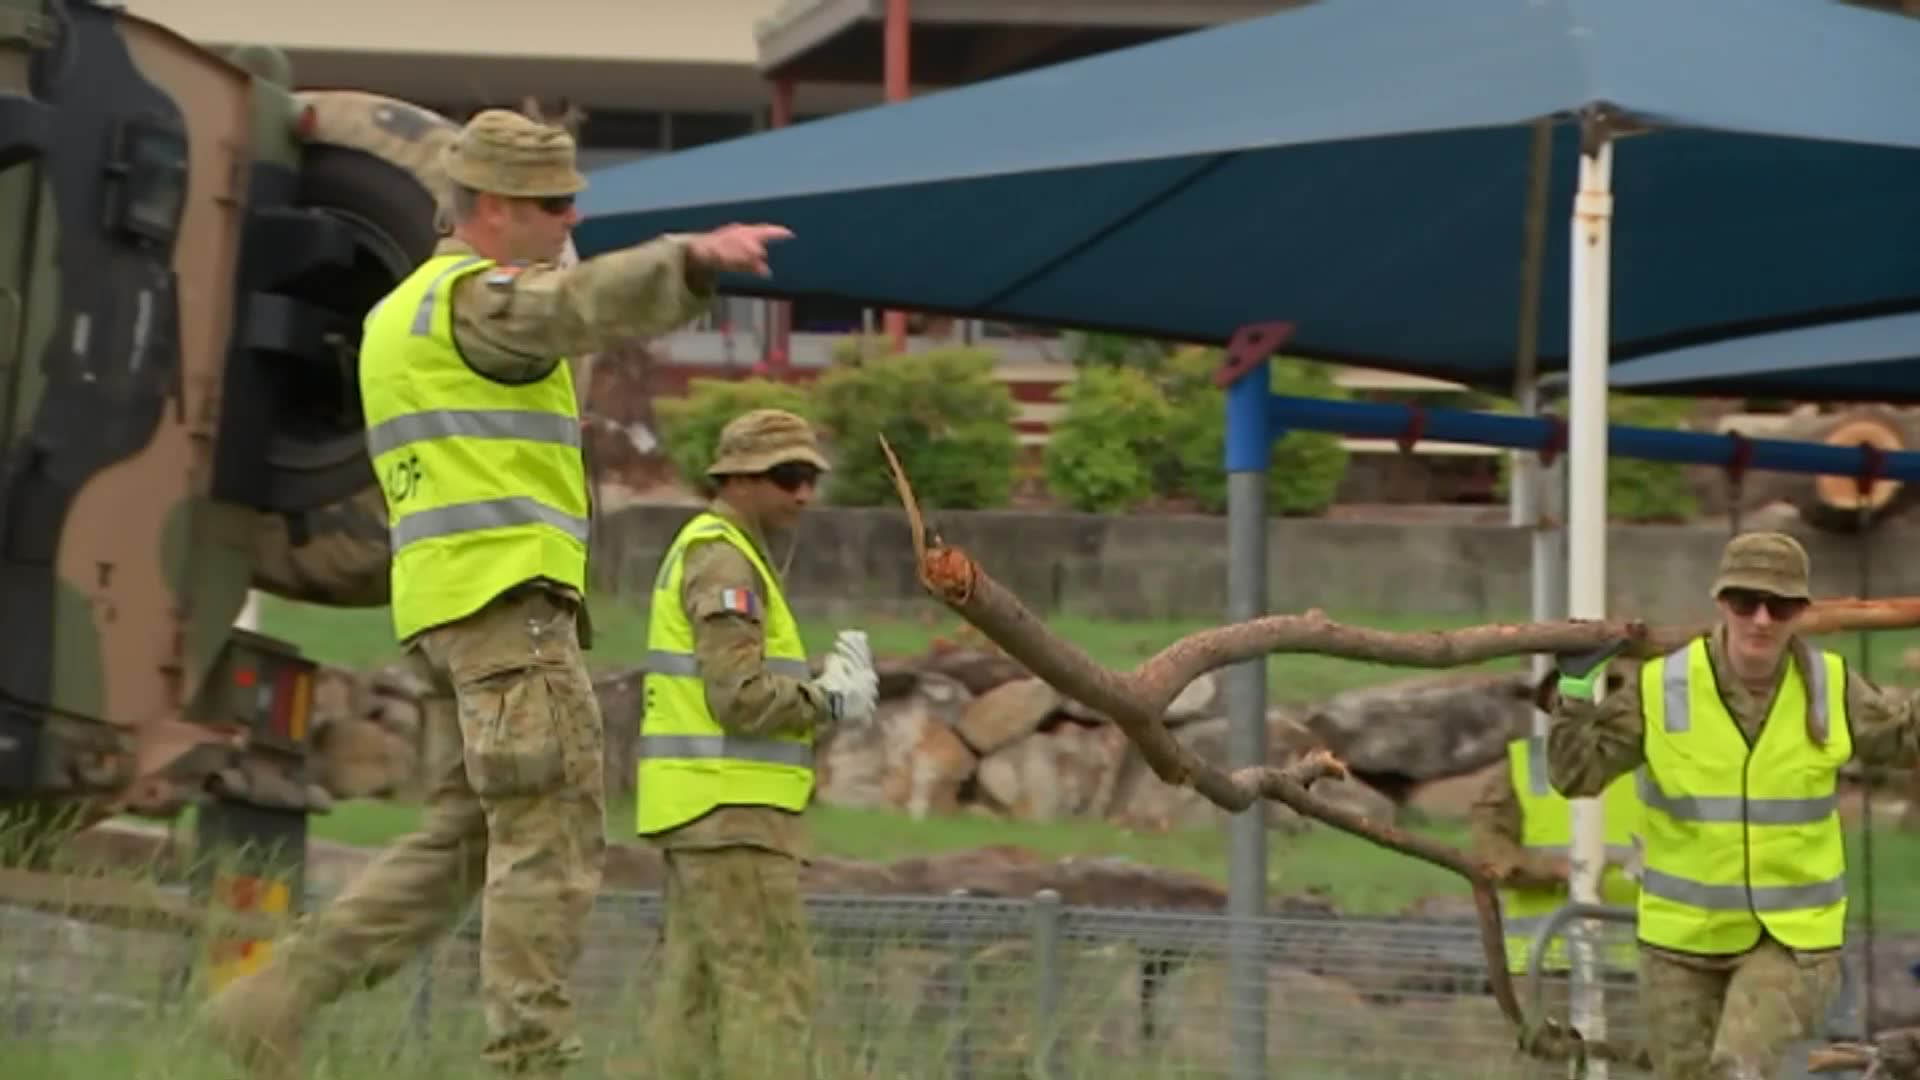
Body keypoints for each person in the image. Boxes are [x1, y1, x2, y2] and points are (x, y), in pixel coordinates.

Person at [200, 107, 796, 1079]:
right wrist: (685, 262)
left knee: (466, 841)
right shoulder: (480, 304)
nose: (569, 222)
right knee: (550, 838)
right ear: (488, 209)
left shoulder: (402, 311)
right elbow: (564, 312)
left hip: (446, 616)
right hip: (508, 616)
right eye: (552, 205)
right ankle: (530, 1059)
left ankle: (276, 996)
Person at [1546, 531, 1920, 1080]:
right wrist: (1575, 689)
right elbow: (1576, 774)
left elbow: (1907, 737)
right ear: (1721, 602)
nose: (1762, 620)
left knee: (1737, 1071)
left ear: (1802, 612)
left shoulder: (1833, 687)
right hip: (1680, 945)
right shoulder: (1663, 686)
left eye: (1781, 604)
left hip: (1792, 942)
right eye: (1747, 602)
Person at [635, 408, 878, 1080]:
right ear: (736, 478)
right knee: (772, 993)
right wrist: (828, 700)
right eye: (786, 476)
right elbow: (738, 697)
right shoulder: (724, 562)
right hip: (731, 815)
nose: (803, 493)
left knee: (694, 998)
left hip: (703, 813)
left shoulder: (716, 551)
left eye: (810, 477)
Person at [1470, 729, 1643, 1072]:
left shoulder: (1653, 763)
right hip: (1546, 965)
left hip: (1638, 964)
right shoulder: (1525, 765)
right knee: (1549, 1067)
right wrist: (1552, 869)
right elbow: (1489, 850)